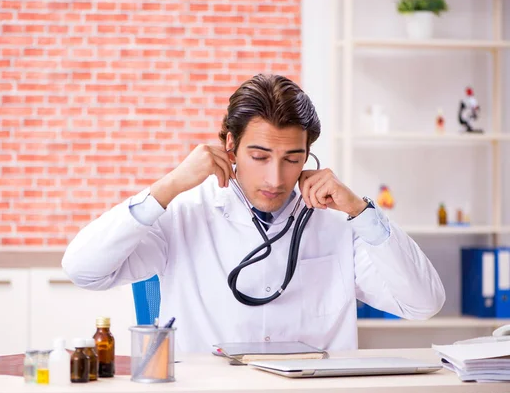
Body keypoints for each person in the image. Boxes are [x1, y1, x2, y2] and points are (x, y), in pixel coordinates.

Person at [62, 74, 445, 353]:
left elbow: (423, 304)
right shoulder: (184, 214)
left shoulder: (335, 220)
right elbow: (83, 270)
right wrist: (168, 186)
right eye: (259, 157)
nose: (275, 178)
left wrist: (361, 212)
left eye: (292, 159)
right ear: (230, 145)